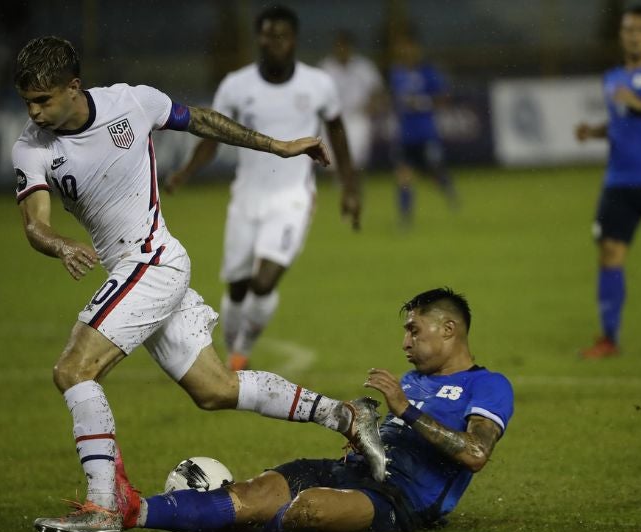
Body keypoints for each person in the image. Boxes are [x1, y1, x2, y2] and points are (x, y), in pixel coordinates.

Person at [10, 36, 386, 532]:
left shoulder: (131, 103)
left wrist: (278, 146)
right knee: (215, 390)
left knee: (73, 369)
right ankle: (345, 414)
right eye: (27, 102)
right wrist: (58, 245)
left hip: (153, 260)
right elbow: (35, 224)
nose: (33, 112)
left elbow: (202, 120)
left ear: (73, 87)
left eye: (43, 100)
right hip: (136, 270)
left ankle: (102, 503)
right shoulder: (31, 147)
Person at [118, 288, 513, 532]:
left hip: (399, 499)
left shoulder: (489, 386)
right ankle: (132, 511)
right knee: (252, 493)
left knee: (311, 509)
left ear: (448, 328)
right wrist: (363, 434)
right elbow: (391, 436)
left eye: (414, 330)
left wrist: (405, 410)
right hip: (347, 470)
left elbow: (475, 453)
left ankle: (231, 530)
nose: (405, 341)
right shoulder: (410, 379)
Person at [166, 6, 361, 372]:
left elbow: (336, 129)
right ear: (259, 38)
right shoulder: (237, 86)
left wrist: (350, 187)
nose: (274, 42)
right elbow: (212, 133)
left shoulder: (317, 84)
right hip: (246, 198)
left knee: (264, 281)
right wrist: (186, 171)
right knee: (238, 287)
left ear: (294, 40)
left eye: (282, 36)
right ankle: (232, 348)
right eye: (268, 35)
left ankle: (240, 354)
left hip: (293, 199)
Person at [575, 4, 641, 358]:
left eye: (640, 29)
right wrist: (595, 131)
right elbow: (623, 123)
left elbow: (637, 109)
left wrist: (637, 103)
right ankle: (609, 338)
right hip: (619, 181)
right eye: (628, 30)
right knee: (609, 254)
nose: (633, 35)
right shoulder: (612, 78)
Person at [388, 34, 458, 227]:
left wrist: (422, 102)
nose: (407, 53)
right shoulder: (396, 73)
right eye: (404, 49)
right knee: (403, 176)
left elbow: (444, 96)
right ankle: (405, 218)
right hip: (405, 134)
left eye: (411, 48)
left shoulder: (428, 72)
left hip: (426, 132)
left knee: (433, 172)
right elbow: (395, 99)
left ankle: (448, 190)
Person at [318, 29, 384, 171]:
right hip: (333, 118)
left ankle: (354, 189)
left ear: (351, 48)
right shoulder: (325, 67)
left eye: (345, 46)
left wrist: (372, 107)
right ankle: (339, 189)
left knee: (356, 161)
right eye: (339, 46)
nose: (342, 50)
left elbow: (378, 92)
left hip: (357, 117)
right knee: (331, 162)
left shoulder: (364, 67)